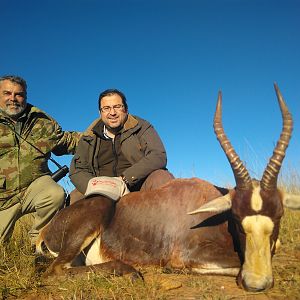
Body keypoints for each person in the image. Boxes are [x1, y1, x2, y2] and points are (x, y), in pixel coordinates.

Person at [0, 75, 81, 245]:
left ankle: (39, 245)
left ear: (26, 97)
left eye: (19, 94)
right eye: (7, 93)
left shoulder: (40, 121)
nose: (13, 99)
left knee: (55, 194)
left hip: (34, 187)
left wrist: (102, 133)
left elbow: (67, 141)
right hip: (3, 199)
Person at [69, 88, 174, 201]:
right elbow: (77, 170)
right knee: (74, 197)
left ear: (126, 109)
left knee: (161, 178)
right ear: (100, 113)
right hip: (101, 189)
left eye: (117, 107)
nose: (112, 113)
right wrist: (97, 186)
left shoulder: (141, 126)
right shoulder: (89, 136)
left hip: (138, 184)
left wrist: (125, 179)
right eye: (106, 108)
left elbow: (158, 155)